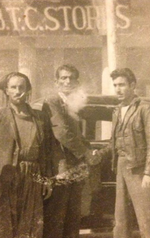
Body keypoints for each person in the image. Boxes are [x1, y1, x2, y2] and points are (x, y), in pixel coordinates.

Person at [0, 72, 54, 238]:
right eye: (13, 87)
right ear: (6, 90)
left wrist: (47, 180)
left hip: (33, 178)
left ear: (28, 90)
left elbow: (47, 153)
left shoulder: (41, 118)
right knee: (4, 226)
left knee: (31, 226)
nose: (17, 91)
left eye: (22, 87)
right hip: (6, 178)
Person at [96, 68, 150, 238]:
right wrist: (99, 153)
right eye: (115, 85)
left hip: (139, 168)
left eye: (122, 85)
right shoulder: (117, 110)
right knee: (121, 218)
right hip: (121, 166)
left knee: (147, 217)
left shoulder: (146, 108)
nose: (117, 89)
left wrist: (149, 172)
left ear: (132, 85)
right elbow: (115, 142)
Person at [42, 64, 98, 238]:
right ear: (56, 82)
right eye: (63, 78)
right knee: (57, 216)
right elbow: (62, 133)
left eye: (71, 78)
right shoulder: (52, 102)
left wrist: (90, 149)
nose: (67, 81)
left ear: (77, 82)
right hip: (61, 167)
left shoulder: (74, 103)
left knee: (73, 217)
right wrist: (85, 153)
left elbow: (77, 135)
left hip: (76, 168)